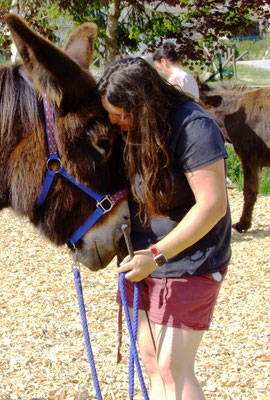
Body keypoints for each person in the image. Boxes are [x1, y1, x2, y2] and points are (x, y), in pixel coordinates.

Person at [98, 57, 231, 400]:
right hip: (141, 258)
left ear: (142, 105)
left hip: (189, 260)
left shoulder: (193, 127)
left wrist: (156, 255)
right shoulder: (134, 131)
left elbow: (213, 204)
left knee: (174, 369)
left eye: (120, 115)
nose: (114, 123)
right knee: (151, 361)